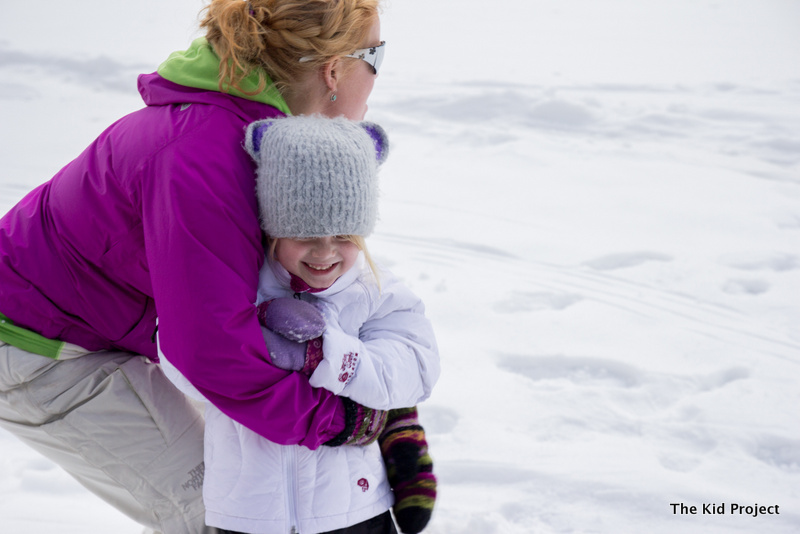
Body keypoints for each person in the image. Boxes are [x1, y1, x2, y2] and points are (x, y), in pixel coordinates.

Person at [0, 1, 434, 533]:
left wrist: (387, 407)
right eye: (377, 56)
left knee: (286, 484)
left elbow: (315, 290)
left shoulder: (270, 138)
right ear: (334, 68)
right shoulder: (204, 154)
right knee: (240, 511)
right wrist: (340, 419)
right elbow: (210, 351)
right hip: (41, 346)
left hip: (127, 328)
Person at [160, 115, 438, 534]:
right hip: (247, 513)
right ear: (274, 228)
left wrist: (319, 352)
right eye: (305, 233)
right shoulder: (238, 288)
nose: (325, 252)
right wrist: (250, 339)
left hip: (353, 510)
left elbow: (414, 371)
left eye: (344, 235)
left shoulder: (374, 293)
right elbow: (182, 360)